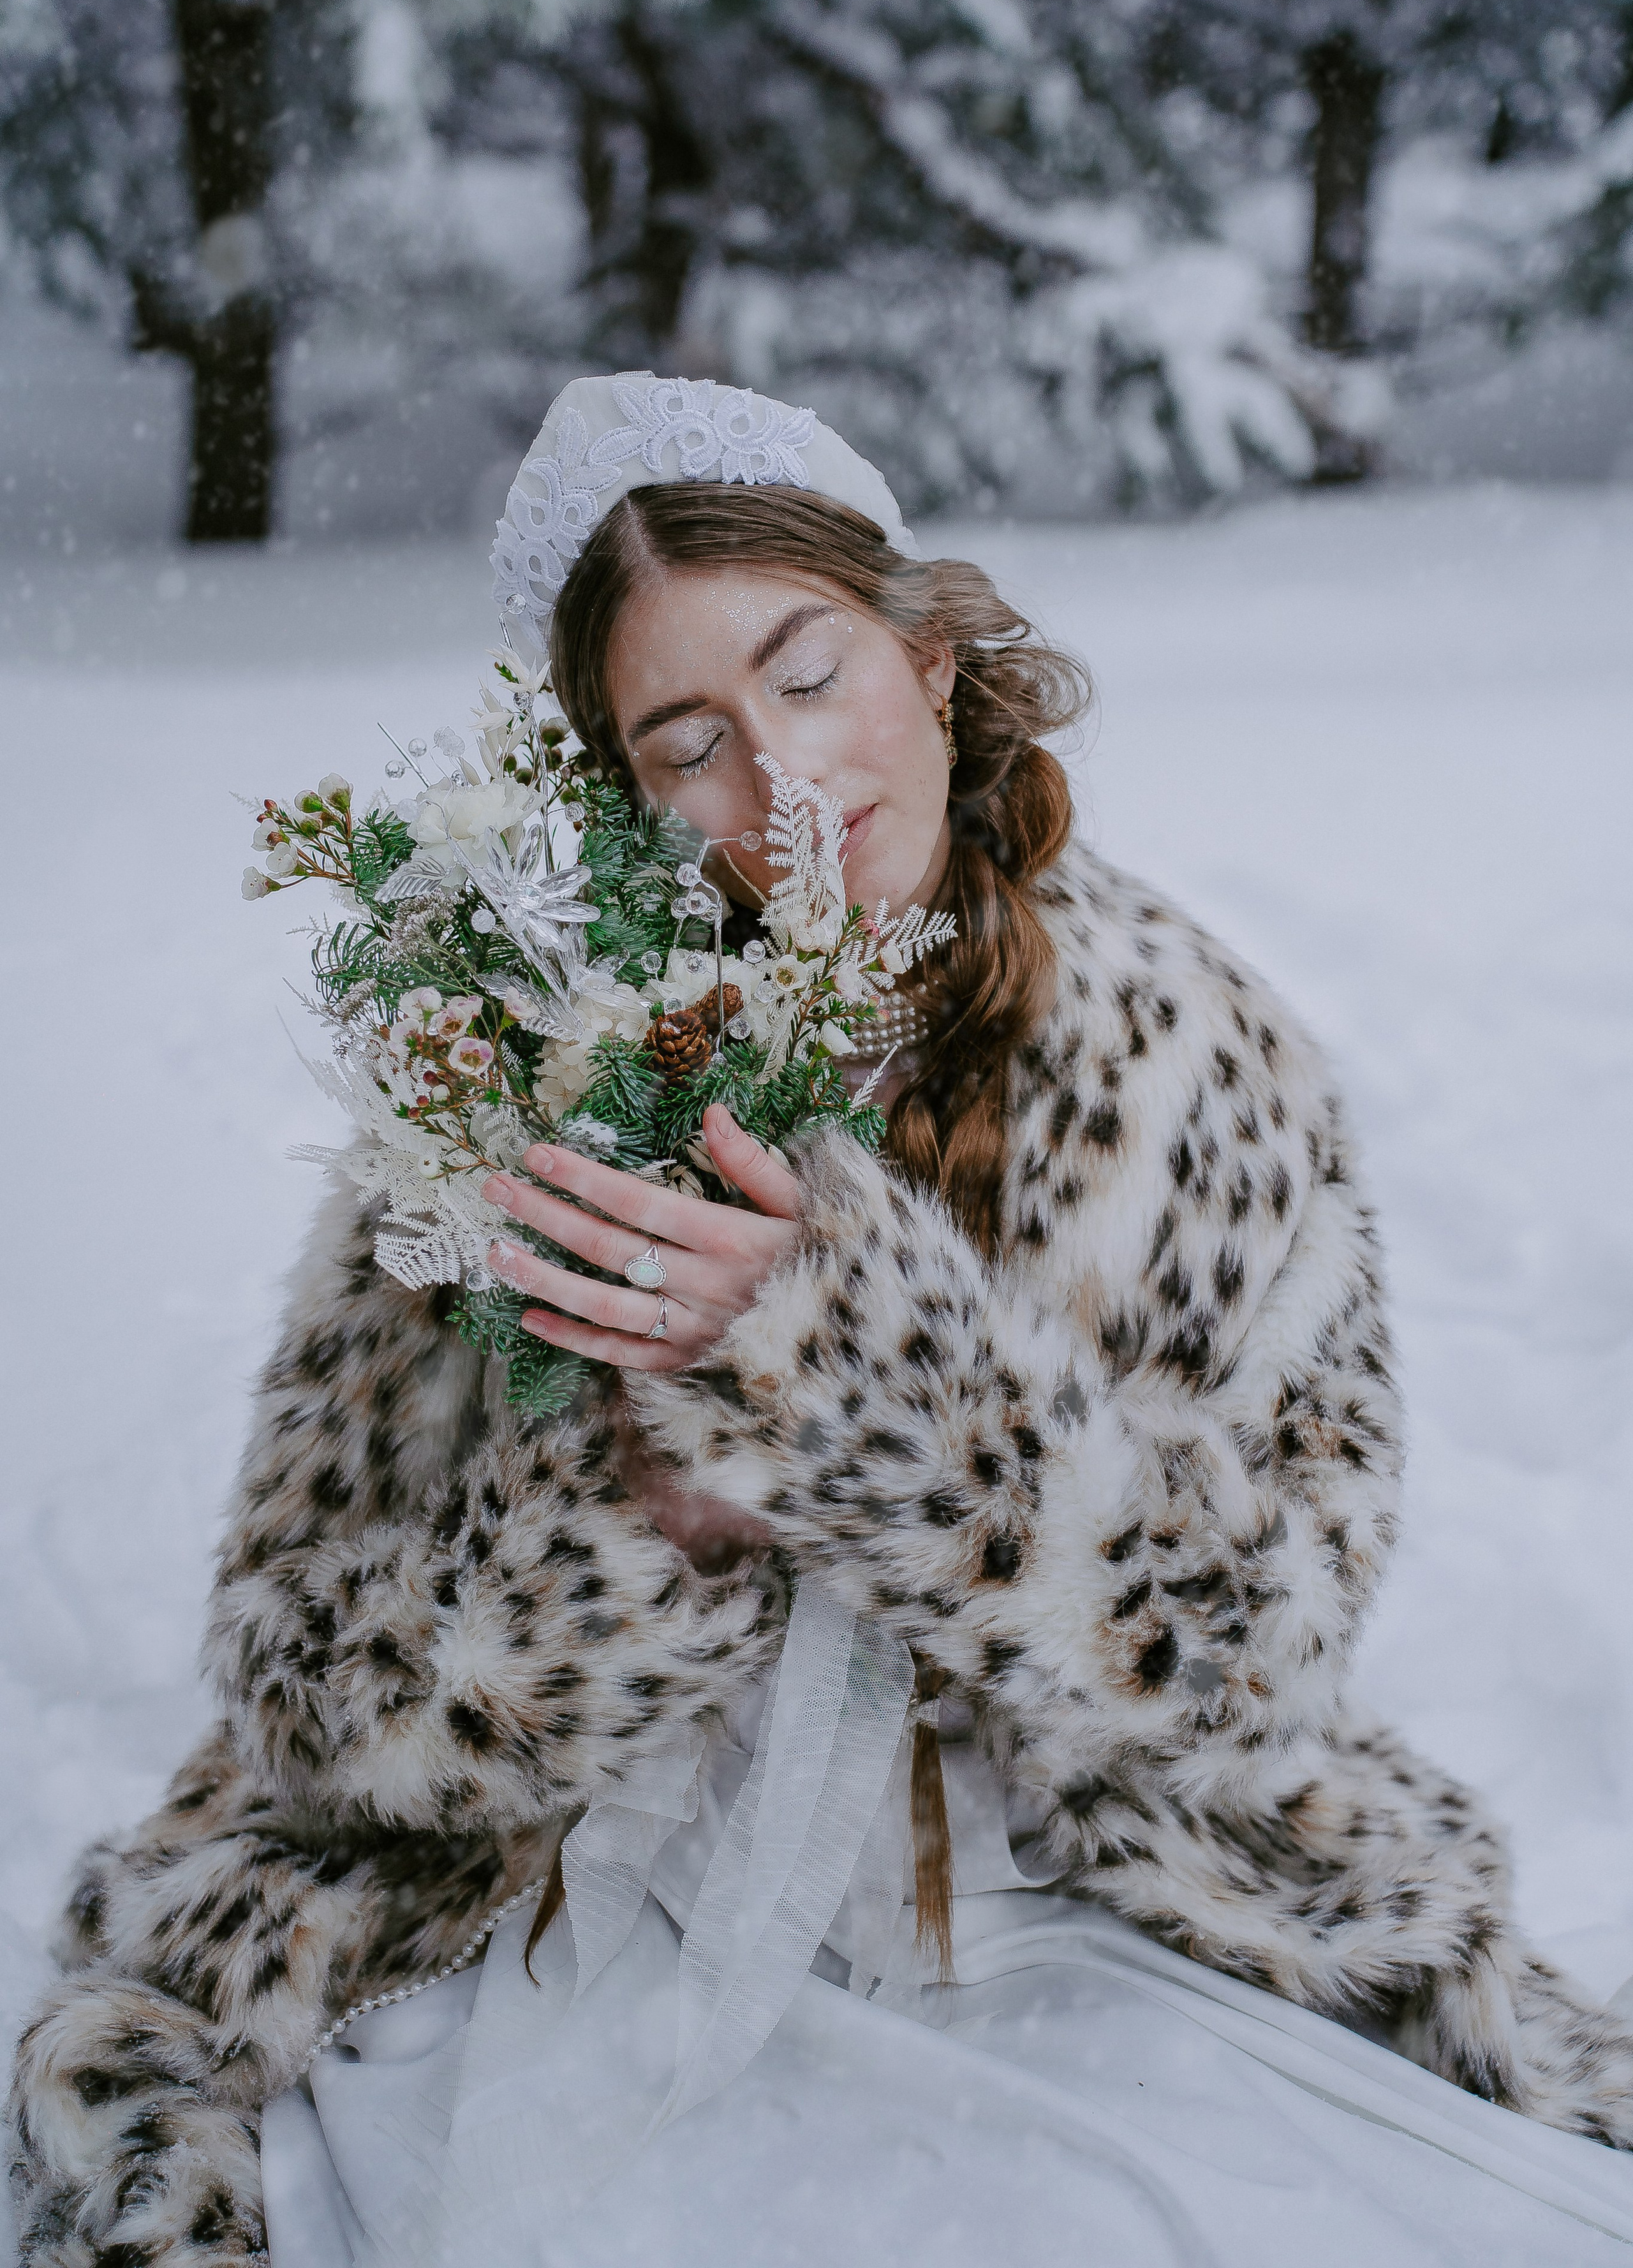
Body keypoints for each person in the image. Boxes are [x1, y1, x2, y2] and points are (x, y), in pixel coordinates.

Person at [10, 373, 1633, 2267]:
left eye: (807, 674)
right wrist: (639, 1531)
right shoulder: (537, 1073)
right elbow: (307, 1680)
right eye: (683, 740)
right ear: (618, 798)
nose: (775, 783)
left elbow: (1254, 1653)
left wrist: (854, 1385)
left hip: (1077, 1906)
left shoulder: (1194, 1065)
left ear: (932, 664)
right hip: (578, 1898)